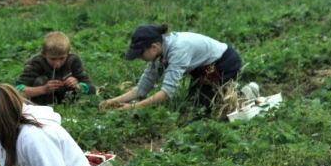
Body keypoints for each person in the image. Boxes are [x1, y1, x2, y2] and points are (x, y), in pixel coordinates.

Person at [100, 24, 243, 113]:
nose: (139, 57)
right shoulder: (160, 53)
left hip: (225, 63)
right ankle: (227, 93)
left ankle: (243, 95)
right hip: (204, 70)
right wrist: (113, 101)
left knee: (203, 110)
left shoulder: (177, 50)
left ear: (154, 47)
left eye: (140, 53)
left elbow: (166, 93)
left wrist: (133, 107)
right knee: (193, 105)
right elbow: (142, 87)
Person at [15, 31, 95, 106]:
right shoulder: (36, 63)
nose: (57, 63)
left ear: (68, 52)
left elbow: (91, 88)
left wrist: (77, 86)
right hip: (40, 106)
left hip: (66, 103)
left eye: (62, 58)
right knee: (41, 80)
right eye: (52, 59)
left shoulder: (73, 61)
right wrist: (44, 89)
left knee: (73, 81)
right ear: (43, 54)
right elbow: (18, 89)